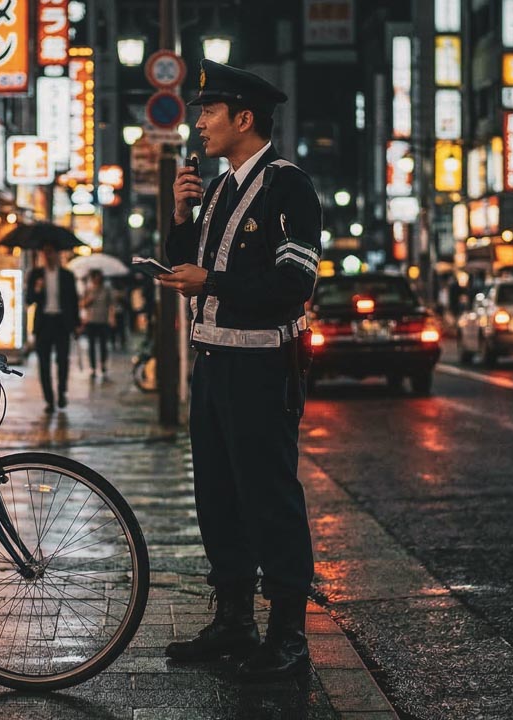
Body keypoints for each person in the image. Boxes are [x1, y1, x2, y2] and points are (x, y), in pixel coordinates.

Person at [159, 59, 323, 682]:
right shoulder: (221, 187)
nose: (200, 122)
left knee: (269, 497)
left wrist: (213, 280)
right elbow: (189, 265)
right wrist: (180, 218)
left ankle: (288, 636)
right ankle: (233, 619)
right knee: (217, 496)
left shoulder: (288, 186)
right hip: (214, 363)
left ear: (244, 118)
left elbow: (293, 282)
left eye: (210, 112)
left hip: (263, 367)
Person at [25, 243, 79, 412]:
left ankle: (62, 392)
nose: (48, 256)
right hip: (43, 323)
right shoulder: (36, 274)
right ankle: (49, 399)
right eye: (45, 252)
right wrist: (37, 288)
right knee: (44, 363)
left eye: (51, 252)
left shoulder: (67, 275)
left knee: (63, 361)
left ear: (57, 254)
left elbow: (73, 301)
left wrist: (76, 324)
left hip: (62, 323)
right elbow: (29, 299)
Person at [80, 269, 114, 378]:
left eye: (99, 277)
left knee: (103, 345)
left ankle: (103, 365)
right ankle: (93, 368)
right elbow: (82, 304)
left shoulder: (106, 289)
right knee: (91, 346)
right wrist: (89, 299)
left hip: (103, 320)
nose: (97, 279)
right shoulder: (88, 289)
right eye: (95, 277)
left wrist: (112, 318)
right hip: (91, 320)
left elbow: (111, 305)